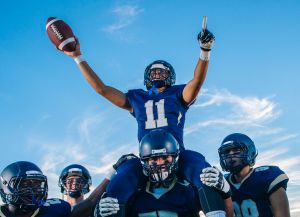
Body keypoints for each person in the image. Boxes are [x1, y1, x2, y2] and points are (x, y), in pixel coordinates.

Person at [58, 21, 232, 214]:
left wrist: (204, 52)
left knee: (206, 176)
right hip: (147, 159)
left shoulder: (178, 94)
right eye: (154, 71)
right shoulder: (137, 97)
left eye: (162, 71)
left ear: (171, 76)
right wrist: (77, 57)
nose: (157, 73)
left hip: (177, 154)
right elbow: (102, 89)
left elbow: (197, 82)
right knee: (116, 188)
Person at [98, 129, 226, 217]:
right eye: (153, 159)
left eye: (165, 158)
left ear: (175, 158)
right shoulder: (133, 190)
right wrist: (97, 213)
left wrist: (226, 192)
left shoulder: (188, 188)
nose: (160, 164)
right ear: (143, 161)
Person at [200, 133, 291, 217]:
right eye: (227, 151)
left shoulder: (267, 175)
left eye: (236, 150)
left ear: (250, 152)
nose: (231, 154)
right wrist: (225, 194)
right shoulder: (223, 181)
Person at [0, 161, 71, 217]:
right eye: (25, 184)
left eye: (37, 184)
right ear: (4, 189)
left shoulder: (57, 209)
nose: (34, 189)